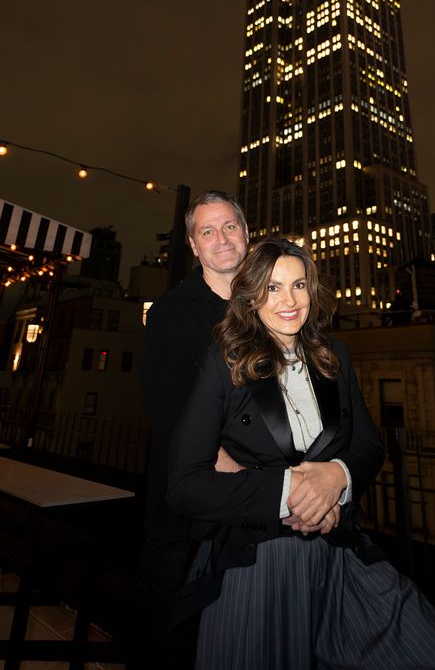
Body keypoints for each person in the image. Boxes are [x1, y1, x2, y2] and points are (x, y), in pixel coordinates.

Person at [168, 237, 435, 670]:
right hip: (260, 562)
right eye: (273, 288)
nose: (290, 300)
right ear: (251, 295)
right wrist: (290, 493)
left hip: (341, 551)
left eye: (299, 285)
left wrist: (338, 477)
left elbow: (368, 445)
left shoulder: (335, 357)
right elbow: (184, 484)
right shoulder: (225, 361)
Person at [135, 190, 249, 668]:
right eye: (207, 231)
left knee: (239, 639)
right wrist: (244, 482)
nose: (221, 239)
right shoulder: (171, 312)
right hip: (187, 516)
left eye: (229, 227)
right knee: (174, 637)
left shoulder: (269, 307)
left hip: (252, 511)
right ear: (193, 245)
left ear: (246, 234)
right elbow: (169, 414)